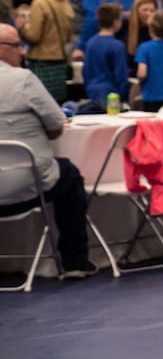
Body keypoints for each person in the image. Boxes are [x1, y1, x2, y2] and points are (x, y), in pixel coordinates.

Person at [0, 23, 95, 279]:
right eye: (18, 46)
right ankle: (74, 262)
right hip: (27, 185)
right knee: (70, 175)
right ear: (3, 50)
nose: (22, 52)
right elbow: (56, 126)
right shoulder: (24, 80)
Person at [20, 0, 75, 104]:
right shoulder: (65, 6)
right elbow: (68, 37)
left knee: (39, 103)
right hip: (59, 62)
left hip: (41, 62)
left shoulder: (39, 3)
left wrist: (22, 29)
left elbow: (34, 36)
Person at [83, 2, 128, 106]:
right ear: (116, 22)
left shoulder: (90, 43)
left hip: (92, 91)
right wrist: (124, 98)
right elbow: (121, 75)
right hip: (112, 94)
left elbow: (85, 71)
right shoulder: (117, 45)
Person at [119, 0, 157, 74]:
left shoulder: (156, 30)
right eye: (144, 10)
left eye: (152, 10)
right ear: (136, 10)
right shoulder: (124, 24)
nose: (148, 14)